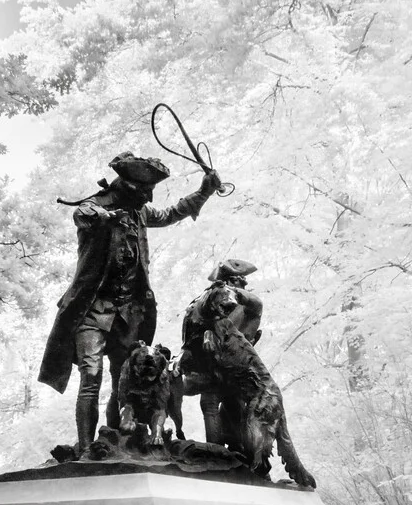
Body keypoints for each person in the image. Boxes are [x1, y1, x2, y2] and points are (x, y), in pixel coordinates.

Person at [38, 151, 220, 454]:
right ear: (125, 186)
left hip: (128, 314)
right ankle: (86, 450)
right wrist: (106, 218)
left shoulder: (139, 213)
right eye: (143, 191)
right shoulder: (95, 207)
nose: (148, 198)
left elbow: (171, 213)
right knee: (90, 378)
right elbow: (83, 215)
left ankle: (114, 443)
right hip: (92, 311)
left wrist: (204, 191)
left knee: (123, 380)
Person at [176, 258, 263, 443]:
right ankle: (220, 452)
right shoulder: (213, 303)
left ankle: (227, 453)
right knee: (215, 404)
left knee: (219, 404)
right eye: (237, 281)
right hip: (215, 365)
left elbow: (254, 309)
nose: (240, 285)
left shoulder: (244, 305)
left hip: (232, 365)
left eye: (238, 283)